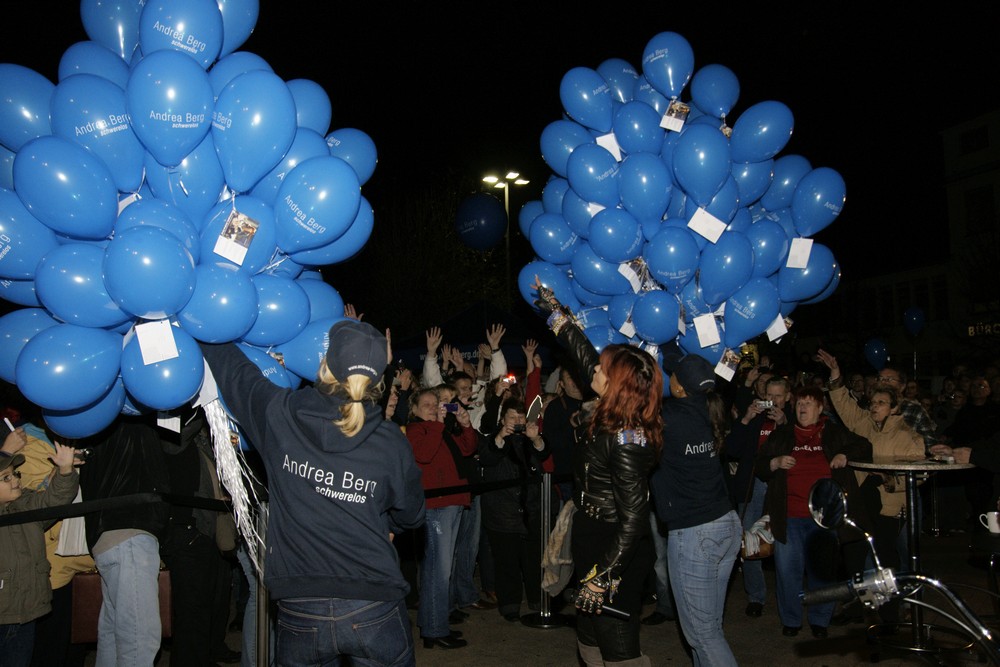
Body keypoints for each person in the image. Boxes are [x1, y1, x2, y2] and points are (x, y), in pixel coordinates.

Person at [199, 320, 426, 666]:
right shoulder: (390, 441)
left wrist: (201, 323)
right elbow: (413, 514)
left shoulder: (281, 414)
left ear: (325, 364)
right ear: (380, 378)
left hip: (301, 602)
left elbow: (235, 372)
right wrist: (388, 524)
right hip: (373, 599)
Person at [534, 281, 662, 667]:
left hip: (614, 546)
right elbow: (584, 353)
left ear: (616, 385)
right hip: (592, 532)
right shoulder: (609, 410)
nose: (593, 369)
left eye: (603, 369)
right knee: (589, 637)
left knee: (616, 645)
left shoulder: (627, 438)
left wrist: (602, 575)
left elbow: (634, 520)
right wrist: (556, 312)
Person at [754, 386, 872, 639]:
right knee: (788, 572)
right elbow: (760, 465)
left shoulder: (834, 433)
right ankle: (791, 619)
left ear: (820, 408)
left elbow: (864, 446)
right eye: (799, 404)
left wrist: (844, 454)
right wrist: (774, 463)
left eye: (808, 403)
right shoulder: (783, 435)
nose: (803, 408)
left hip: (824, 518)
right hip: (789, 516)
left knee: (822, 572)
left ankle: (820, 619)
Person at [650, 353, 742, 666]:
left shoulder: (669, 416)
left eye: (673, 375)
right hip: (726, 523)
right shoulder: (712, 408)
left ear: (678, 387)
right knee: (710, 629)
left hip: (695, 533)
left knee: (702, 635)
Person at [406, 387, 479, 649]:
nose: (431, 407)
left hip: (453, 502)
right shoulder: (416, 430)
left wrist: (465, 424)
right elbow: (424, 454)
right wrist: (438, 424)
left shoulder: (440, 430)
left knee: (439, 569)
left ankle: (433, 625)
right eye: (425, 404)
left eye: (434, 403)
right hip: (436, 506)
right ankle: (435, 630)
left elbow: (468, 449)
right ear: (414, 409)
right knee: (439, 570)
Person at [0, 440, 80, 667]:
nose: (16, 480)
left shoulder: (26, 504)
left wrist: (65, 470)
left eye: (15, 474)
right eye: (6, 478)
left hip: (26, 612)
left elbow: (54, 500)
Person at [723, 376, 793, 619]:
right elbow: (731, 449)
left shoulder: (794, 419)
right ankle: (756, 596)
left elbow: (795, 449)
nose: (772, 401)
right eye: (769, 395)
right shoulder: (755, 418)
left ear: (788, 397)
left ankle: (788, 597)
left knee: (784, 542)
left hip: (780, 486)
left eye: (778, 396)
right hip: (752, 485)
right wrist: (745, 419)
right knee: (750, 541)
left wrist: (783, 424)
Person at [478, 399, 553, 621]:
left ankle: (537, 599)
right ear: (503, 420)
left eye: (521, 417)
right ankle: (509, 604)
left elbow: (544, 452)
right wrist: (501, 436)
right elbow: (488, 457)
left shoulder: (530, 438)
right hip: (502, 512)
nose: (517, 421)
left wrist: (536, 438)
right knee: (506, 561)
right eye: (512, 417)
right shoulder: (492, 439)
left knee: (534, 560)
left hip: (531, 510)